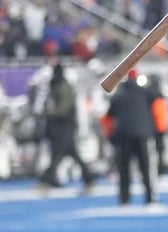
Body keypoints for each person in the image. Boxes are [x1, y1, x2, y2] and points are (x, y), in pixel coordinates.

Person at [102, 69, 160, 207]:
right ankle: (150, 199)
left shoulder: (119, 95)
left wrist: (111, 136)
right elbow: (159, 106)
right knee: (146, 168)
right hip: (143, 135)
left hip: (123, 135)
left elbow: (108, 116)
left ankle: (124, 199)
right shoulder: (146, 93)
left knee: (124, 169)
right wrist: (158, 131)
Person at [37, 63, 96, 194]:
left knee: (58, 155)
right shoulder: (57, 86)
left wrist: (48, 113)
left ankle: (45, 181)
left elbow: (63, 109)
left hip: (65, 127)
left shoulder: (64, 87)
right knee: (70, 154)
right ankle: (89, 180)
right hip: (60, 127)